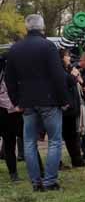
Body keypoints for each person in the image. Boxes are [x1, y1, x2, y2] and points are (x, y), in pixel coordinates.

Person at [4, 15, 68, 192]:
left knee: (29, 142)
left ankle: (36, 182)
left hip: (27, 102)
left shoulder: (15, 49)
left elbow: (9, 79)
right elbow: (58, 76)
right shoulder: (48, 46)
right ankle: (50, 181)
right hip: (49, 100)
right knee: (54, 141)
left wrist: (16, 101)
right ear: (42, 27)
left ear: (26, 28)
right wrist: (64, 100)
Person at [60, 49, 85, 168]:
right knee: (60, 137)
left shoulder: (68, 69)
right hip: (64, 109)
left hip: (71, 109)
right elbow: (69, 82)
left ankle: (77, 160)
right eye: (67, 56)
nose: (69, 58)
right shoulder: (61, 71)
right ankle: (59, 162)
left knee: (73, 136)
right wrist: (74, 75)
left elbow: (79, 82)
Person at [0, 59, 21, 182]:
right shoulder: (13, 74)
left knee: (9, 144)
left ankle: (13, 174)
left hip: (6, 111)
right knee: (28, 142)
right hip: (14, 111)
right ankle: (39, 170)